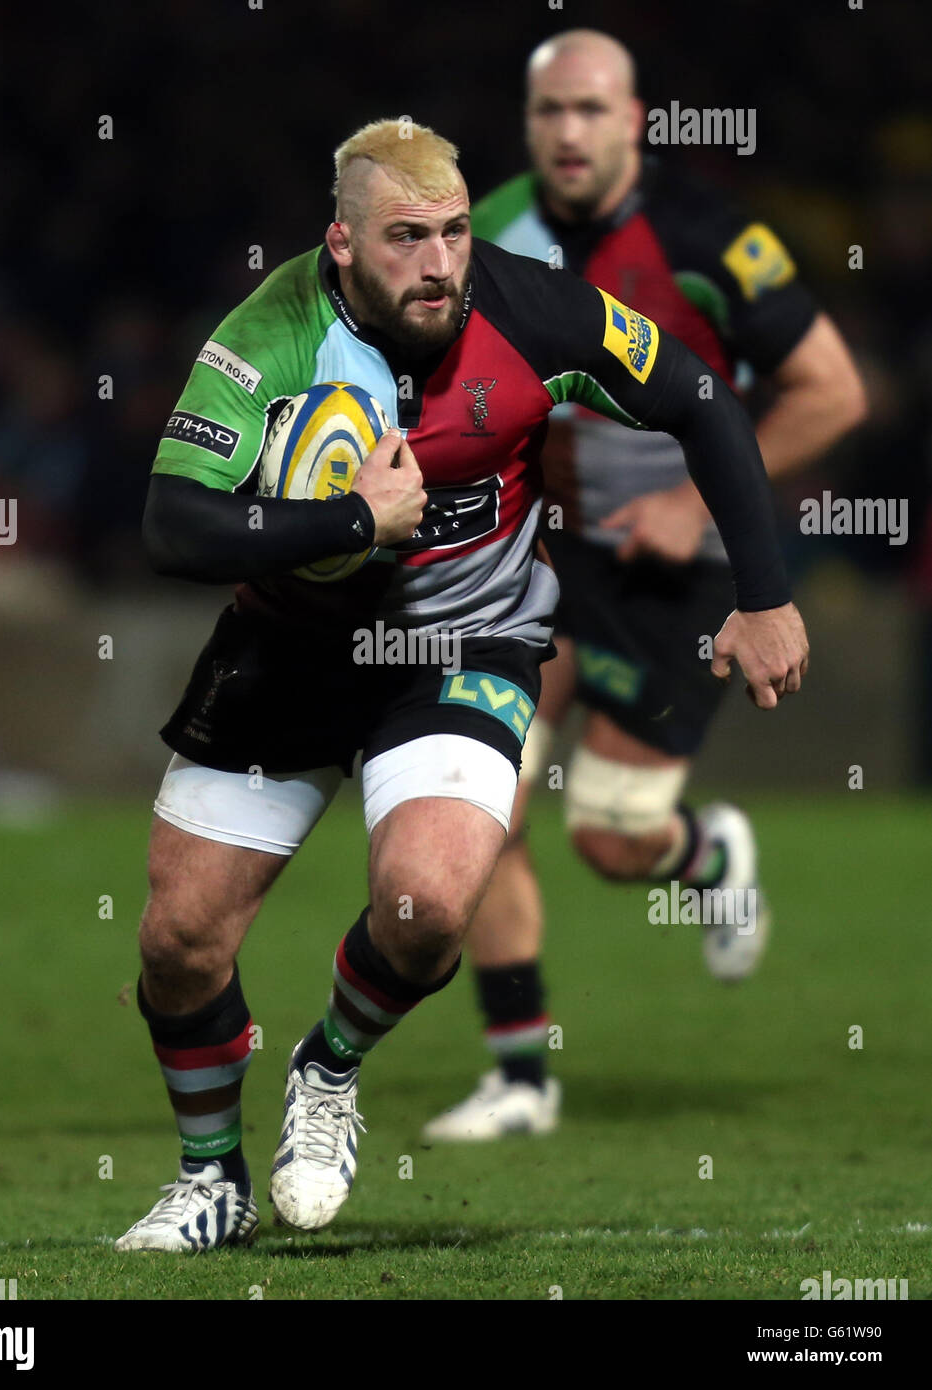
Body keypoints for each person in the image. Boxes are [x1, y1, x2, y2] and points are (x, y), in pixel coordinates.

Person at [113, 116, 809, 1252]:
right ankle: (210, 1181)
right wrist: (349, 520)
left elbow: (694, 397)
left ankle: (327, 1070)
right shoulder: (267, 332)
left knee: (428, 907)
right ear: (340, 243)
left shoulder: (533, 308)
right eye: (404, 238)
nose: (439, 262)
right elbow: (172, 523)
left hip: (463, 646)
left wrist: (764, 594)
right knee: (177, 940)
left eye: (450, 232)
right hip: (285, 653)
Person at [421, 30, 865, 1144]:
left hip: (689, 566)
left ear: (633, 120)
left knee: (612, 837)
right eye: (547, 113)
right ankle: (519, 1075)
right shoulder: (487, 230)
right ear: (527, 127)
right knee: (480, 802)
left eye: (589, 110)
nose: (567, 133)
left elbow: (832, 392)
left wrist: (692, 504)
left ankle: (705, 853)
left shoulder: (712, 237)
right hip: (549, 554)